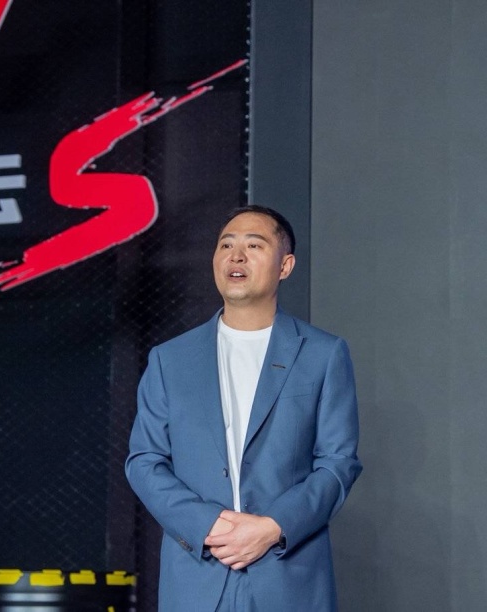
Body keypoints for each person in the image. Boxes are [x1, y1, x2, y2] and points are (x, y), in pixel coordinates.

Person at [125, 205, 362, 611]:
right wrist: (207, 525)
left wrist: (273, 526)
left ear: (285, 266)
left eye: (254, 246)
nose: (236, 256)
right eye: (226, 245)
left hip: (287, 574)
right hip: (198, 577)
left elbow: (338, 463)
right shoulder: (170, 359)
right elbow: (145, 461)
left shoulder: (323, 354)